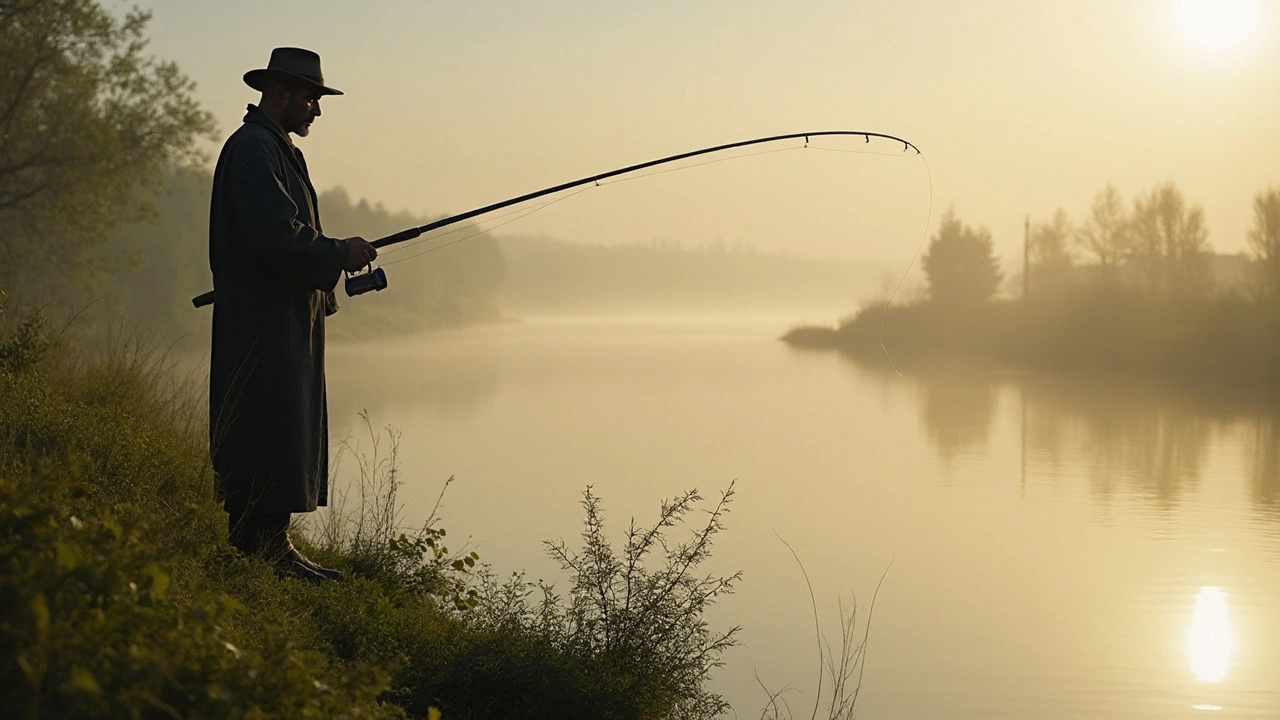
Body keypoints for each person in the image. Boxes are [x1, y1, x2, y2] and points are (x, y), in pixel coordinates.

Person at [207, 47, 377, 582]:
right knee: (266, 426)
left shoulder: (271, 146)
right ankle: (259, 551)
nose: (316, 109)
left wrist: (328, 264)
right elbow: (274, 237)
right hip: (264, 326)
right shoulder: (257, 149)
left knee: (279, 427)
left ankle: (270, 545)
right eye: (310, 97)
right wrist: (337, 253)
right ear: (279, 92)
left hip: (277, 319)